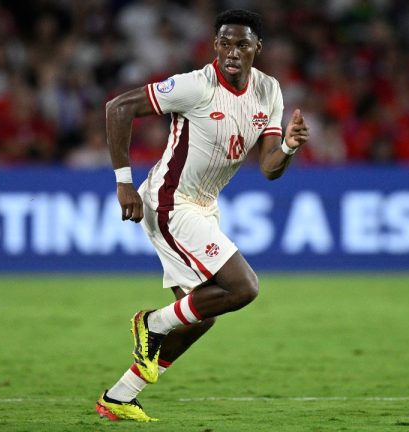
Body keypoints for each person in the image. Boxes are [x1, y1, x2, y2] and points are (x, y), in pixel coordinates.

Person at [95, 9, 310, 422]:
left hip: (204, 205)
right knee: (244, 287)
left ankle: (120, 396)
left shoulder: (269, 92)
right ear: (215, 45)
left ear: (257, 49)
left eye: (242, 44)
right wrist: (123, 182)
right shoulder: (195, 86)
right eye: (225, 43)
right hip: (170, 201)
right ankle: (152, 323)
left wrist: (289, 147)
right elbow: (118, 108)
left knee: (200, 317)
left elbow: (268, 167)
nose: (232, 51)